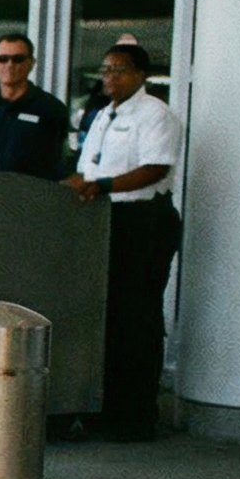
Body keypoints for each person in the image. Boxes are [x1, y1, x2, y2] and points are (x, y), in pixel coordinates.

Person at [63, 41, 184, 441]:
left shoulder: (155, 114)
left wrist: (104, 186)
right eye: (105, 68)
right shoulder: (100, 116)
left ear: (140, 75)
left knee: (136, 317)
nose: (109, 76)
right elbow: (87, 168)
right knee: (107, 316)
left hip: (142, 220)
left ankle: (134, 415)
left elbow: (154, 168)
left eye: (119, 69)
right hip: (103, 218)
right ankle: (103, 410)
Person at [0, 33, 70, 180]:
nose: (9, 65)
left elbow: (62, 165)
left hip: (33, 196)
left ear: (31, 63)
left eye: (18, 59)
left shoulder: (51, 109)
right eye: (3, 59)